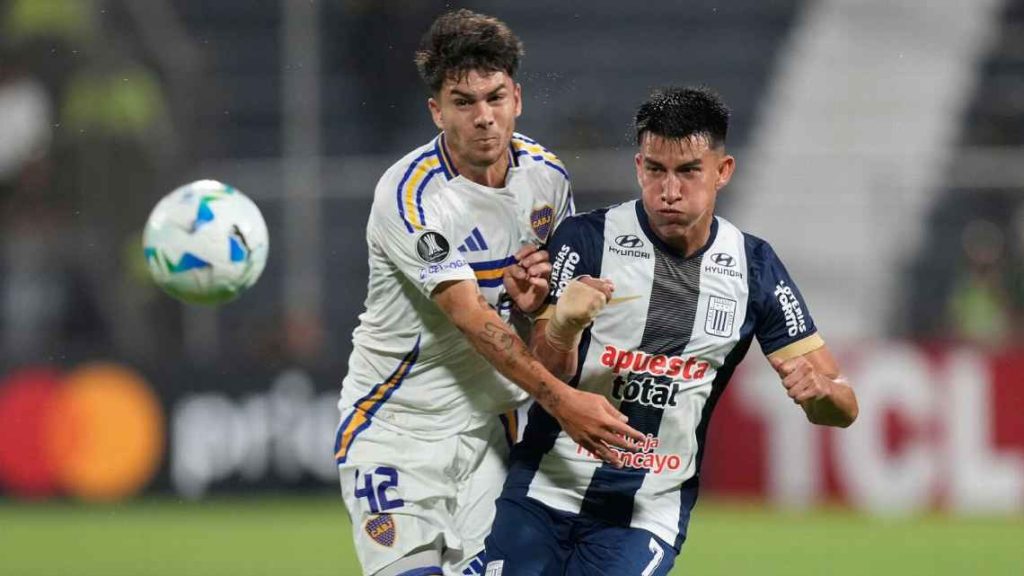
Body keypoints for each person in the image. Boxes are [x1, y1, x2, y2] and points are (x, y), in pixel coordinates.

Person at [484, 86, 860, 575]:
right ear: (639, 167)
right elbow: (545, 375)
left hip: (645, 513)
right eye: (656, 170)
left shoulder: (754, 267)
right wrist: (563, 326)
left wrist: (820, 393)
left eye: (688, 171)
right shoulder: (587, 240)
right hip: (543, 489)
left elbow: (843, 407)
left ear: (723, 171)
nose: (669, 190)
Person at [335, 10, 643, 576]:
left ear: (516, 98)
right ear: (437, 110)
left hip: (490, 436)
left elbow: (550, 338)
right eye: (463, 102)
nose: (483, 117)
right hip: (397, 430)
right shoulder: (411, 197)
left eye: (495, 97)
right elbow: (471, 317)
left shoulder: (547, 179)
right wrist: (563, 402)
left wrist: (543, 312)